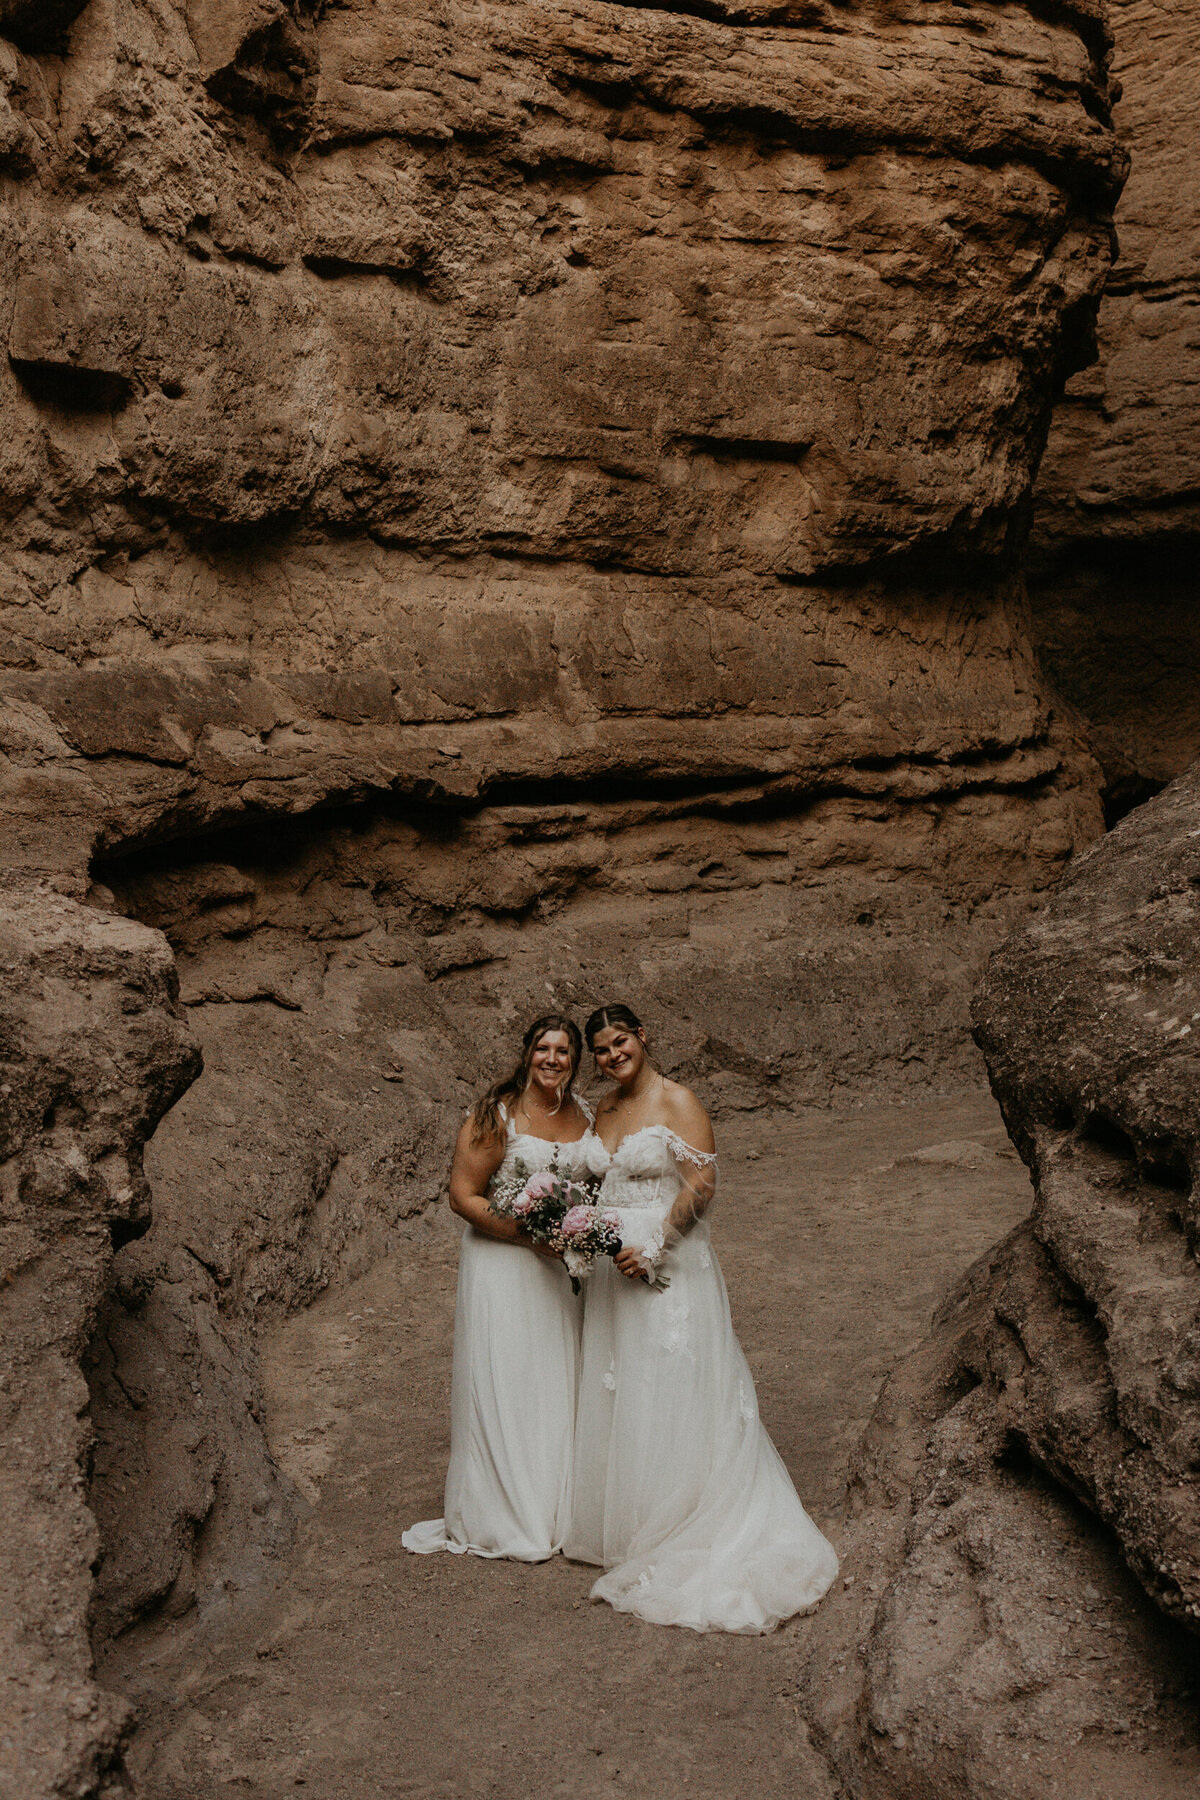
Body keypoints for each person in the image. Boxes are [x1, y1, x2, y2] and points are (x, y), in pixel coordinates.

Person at [565, 1003, 839, 1631]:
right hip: (613, 1268)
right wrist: (581, 1231)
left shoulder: (677, 1100)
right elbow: (594, 1183)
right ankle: (631, 1522)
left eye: (620, 1043)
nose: (612, 1057)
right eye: (601, 1050)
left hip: (665, 1266)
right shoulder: (602, 1108)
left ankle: (688, 1520)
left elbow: (702, 1184)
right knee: (624, 1382)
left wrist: (657, 1245)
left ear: (643, 1037)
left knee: (672, 1381)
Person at [402, 1014, 593, 1561]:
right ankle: (505, 1513)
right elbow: (462, 1195)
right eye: (542, 1049)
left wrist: (579, 1230)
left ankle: (556, 1506)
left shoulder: (583, 1115)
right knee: (507, 1377)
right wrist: (528, 1235)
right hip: (502, 1265)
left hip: (559, 1269)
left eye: (563, 1051)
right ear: (526, 1053)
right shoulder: (496, 1115)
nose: (552, 1059)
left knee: (556, 1378)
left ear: (575, 1061)